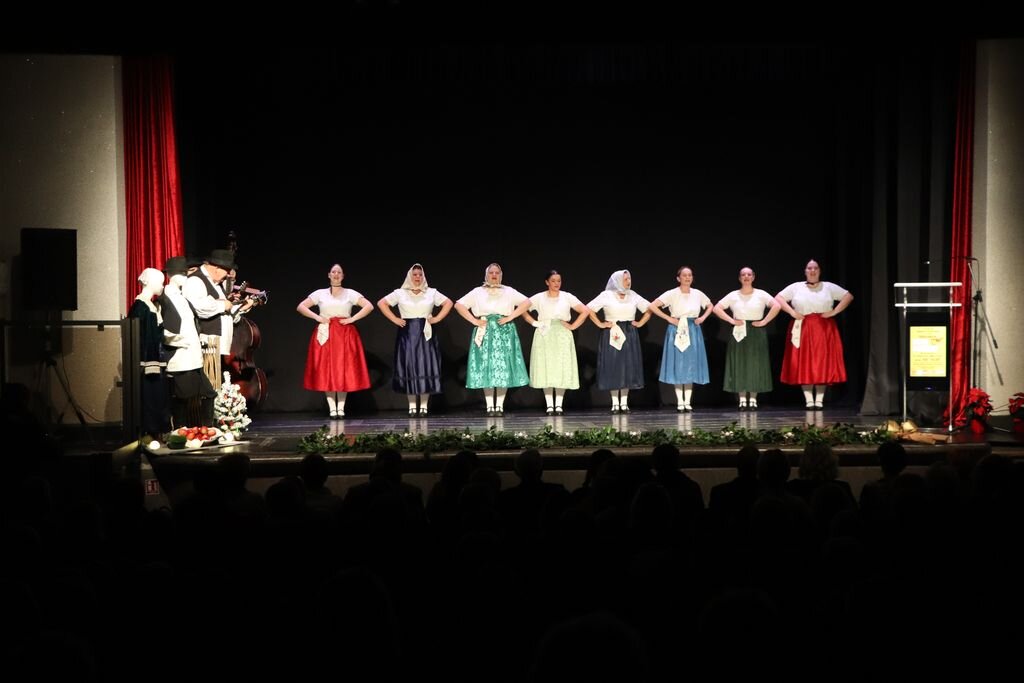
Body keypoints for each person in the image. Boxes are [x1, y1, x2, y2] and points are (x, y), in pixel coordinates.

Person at [774, 259, 854, 409]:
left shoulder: (828, 286)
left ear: (819, 271)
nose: (812, 271)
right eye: (809, 268)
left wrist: (834, 311)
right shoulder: (796, 287)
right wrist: (792, 312)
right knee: (805, 362)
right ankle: (809, 399)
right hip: (803, 327)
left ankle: (820, 399)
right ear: (805, 271)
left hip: (824, 328)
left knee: (821, 363)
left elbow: (848, 296)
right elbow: (778, 298)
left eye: (815, 268)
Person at [296, 264, 373, 418]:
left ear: (343, 276)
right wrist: (317, 317)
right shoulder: (320, 293)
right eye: (333, 272)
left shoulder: (350, 293)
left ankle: (341, 407)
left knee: (343, 369)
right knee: (327, 370)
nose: (336, 274)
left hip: (344, 333)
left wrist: (352, 318)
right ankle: (332, 408)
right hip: (326, 333)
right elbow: (301, 306)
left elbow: (369, 306)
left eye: (339, 272)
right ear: (329, 275)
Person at [453, 263, 531, 415]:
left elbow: (527, 302)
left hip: (504, 330)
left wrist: (511, 316)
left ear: (500, 275)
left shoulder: (508, 291)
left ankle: (500, 405)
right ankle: (489, 405)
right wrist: (474, 321)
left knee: (503, 367)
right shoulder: (478, 291)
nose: (494, 275)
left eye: (497, 272)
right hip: (485, 330)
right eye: (491, 273)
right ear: (486, 275)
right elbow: (459, 305)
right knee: (486, 366)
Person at [376, 263, 453, 415]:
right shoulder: (400, 293)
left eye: (420, 275)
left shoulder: (431, 292)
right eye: (415, 275)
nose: (417, 277)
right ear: (409, 277)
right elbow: (381, 303)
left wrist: (436, 318)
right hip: (408, 332)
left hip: (426, 332)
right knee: (410, 365)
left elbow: (448, 303)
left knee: (425, 365)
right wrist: (395, 319)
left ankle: (423, 406)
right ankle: (412, 406)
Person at [183, 249, 253, 392]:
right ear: (216, 268)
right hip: (206, 345)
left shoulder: (215, 283)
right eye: (226, 270)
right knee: (207, 386)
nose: (228, 275)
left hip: (217, 347)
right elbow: (199, 307)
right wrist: (223, 304)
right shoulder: (195, 281)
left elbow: (225, 312)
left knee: (216, 385)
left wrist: (240, 307)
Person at [521, 270, 590, 414]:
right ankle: (549, 405)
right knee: (546, 367)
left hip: (562, 333)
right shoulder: (539, 297)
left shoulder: (567, 296)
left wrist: (573, 326)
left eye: (559, 281)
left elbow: (585, 311)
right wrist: (534, 322)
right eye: (553, 281)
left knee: (561, 367)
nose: (556, 283)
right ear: (547, 282)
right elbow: (522, 308)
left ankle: (558, 405)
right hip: (544, 331)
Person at [712, 266, 781, 410]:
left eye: (749, 274)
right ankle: (742, 399)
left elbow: (776, 305)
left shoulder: (761, 294)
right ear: (739, 278)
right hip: (739, 331)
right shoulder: (733, 295)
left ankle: (754, 399)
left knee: (756, 364)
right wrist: (731, 320)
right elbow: (716, 308)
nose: (746, 277)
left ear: (753, 277)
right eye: (743, 274)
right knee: (740, 363)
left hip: (756, 331)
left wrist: (764, 321)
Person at [160, 255, 216, 427]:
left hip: (193, 356)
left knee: (208, 393)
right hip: (180, 357)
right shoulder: (166, 297)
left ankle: (208, 429)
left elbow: (190, 322)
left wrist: (199, 337)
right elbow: (163, 328)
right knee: (182, 398)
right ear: (171, 275)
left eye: (186, 273)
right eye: (181, 273)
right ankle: (179, 431)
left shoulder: (182, 297)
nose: (184, 277)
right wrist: (179, 340)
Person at [647, 266, 712, 412]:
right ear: (678, 278)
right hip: (676, 328)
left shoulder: (697, 294)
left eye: (690, 275)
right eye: (684, 275)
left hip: (693, 329)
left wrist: (702, 318)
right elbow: (653, 305)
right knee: (678, 364)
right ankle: (680, 401)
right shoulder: (672, 294)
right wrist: (668, 318)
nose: (687, 277)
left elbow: (710, 305)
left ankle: (687, 402)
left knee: (691, 364)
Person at [586, 269, 652, 413]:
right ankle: (615, 402)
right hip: (612, 331)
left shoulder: (633, 295)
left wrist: (640, 323)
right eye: (625, 279)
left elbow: (650, 308)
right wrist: (600, 324)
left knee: (627, 366)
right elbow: (589, 309)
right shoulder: (607, 295)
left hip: (629, 332)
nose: (628, 282)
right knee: (613, 366)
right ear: (617, 281)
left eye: (629, 279)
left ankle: (624, 402)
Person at [129, 267, 170, 438]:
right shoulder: (141, 307)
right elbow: (144, 338)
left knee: (158, 396)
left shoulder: (150, 306)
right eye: (160, 283)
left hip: (155, 360)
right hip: (148, 363)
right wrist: (150, 362)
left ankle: (158, 430)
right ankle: (151, 431)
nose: (162, 286)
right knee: (151, 397)